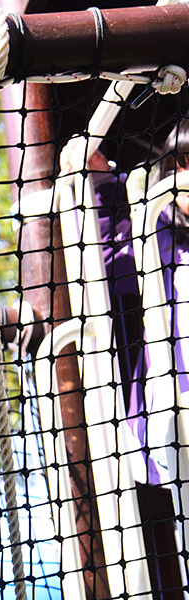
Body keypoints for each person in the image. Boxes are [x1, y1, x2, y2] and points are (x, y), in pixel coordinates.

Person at [59, 119, 189, 488]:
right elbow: (113, 248)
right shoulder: (160, 234)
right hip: (173, 411)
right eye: (179, 164)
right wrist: (99, 181)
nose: (187, 177)